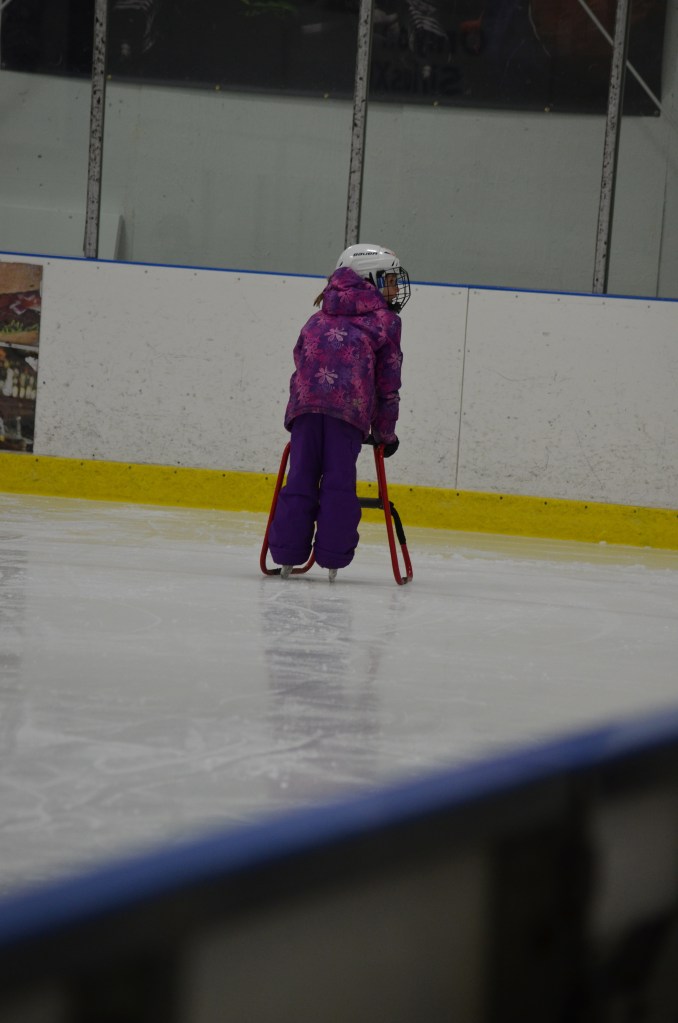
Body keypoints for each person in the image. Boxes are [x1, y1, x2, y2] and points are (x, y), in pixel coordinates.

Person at [268, 243, 410, 581]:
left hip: (304, 411)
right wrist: (385, 433)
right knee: (338, 484)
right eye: (388, 280)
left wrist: (296, 413)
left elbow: (299, 364)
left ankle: (287, 555)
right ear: (369, 280)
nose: (393, 288)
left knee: (300, 478)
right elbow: (387, 384)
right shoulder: (385, 322)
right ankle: (332, 558)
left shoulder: (318, 317)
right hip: (347, 414)